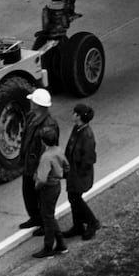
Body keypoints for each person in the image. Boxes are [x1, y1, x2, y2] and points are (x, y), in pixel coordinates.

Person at [18, 88, 57, 230]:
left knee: (41, 195)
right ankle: (34, 217)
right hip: (29, 162)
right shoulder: (31, 117)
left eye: (32, 101)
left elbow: (47, 150)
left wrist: (41, 170)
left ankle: (43, 223)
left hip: (39, 165)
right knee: (28, 192)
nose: (30, 103)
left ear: (37, 105)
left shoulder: (49, 125)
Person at [62, 102, 99, 239]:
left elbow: (88, 158)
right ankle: (77, 225)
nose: (72, 115)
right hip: (72, 171)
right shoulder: (77, 129)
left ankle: (92, 222)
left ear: (78, 116)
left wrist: (79, 173)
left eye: (74, 113)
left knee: (75, 198)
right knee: (72, 198)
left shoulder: (87, 135)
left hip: (79, 173)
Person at [32, 123, 68, 257]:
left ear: (43, 141)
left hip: (47, 188)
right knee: (50, 216)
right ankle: (60, 244)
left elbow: (41, 178)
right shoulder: (58, 150)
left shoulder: (46, 157)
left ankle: (48, 247)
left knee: (47, 217)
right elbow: (67, 166)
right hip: (56, 185)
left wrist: (37, 187)